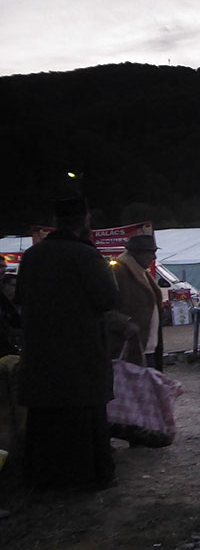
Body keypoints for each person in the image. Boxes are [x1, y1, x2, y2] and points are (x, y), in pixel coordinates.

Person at [16, 197, 118, 490]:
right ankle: (87, 477)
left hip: (41, 355)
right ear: (85, 220)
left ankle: (44, 478)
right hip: (80, 355)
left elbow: (21, 298)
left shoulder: (33, 256)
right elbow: (108, 298)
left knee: (46, 420)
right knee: (82, 421)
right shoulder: (86, 256)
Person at [105, 235, 164, 371]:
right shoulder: (118, 272)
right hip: (130, 349)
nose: (154, 258)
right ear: (137, 253)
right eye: (151, 253)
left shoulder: (142, 272)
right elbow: (104, 308)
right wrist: (125, 323)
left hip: (148, 348)